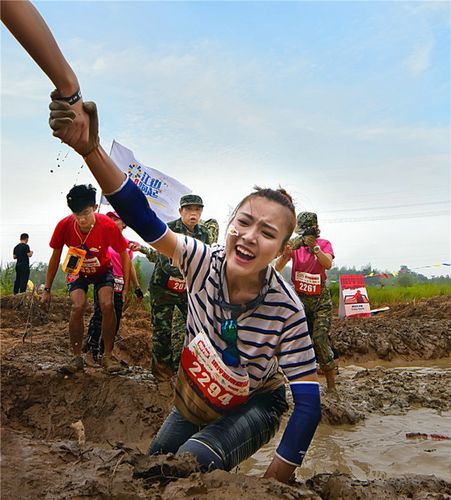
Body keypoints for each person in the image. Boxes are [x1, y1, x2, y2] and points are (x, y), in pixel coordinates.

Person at [2, 4, 321, 482]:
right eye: (244, 222)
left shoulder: (285, 307)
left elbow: (308, 403)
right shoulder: (201, 261)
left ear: (280, 250)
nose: (249, 236)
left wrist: (278, 480)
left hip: (256, 400)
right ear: (228, 223)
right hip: (197, 392)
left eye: (267, 233)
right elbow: (141, 216)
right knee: (151, 466)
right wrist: (91, 150)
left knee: (187, 465)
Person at [42, 184, 130, 374]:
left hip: (102, 270)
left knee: (107, 305)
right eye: (76, 214)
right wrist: (47, 289)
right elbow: (55, 257)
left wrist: (126, 287)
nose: (81, 219)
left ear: (95, 208)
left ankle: (107, 356)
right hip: (78, 271)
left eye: (86, 213)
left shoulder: (107, 226)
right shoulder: (64, 226)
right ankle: (76, 357)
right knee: (78, 306)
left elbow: (124, 255)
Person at [145, 195, 210, 380]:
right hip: (163, 287)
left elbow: (205, 258)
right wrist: (192, 269)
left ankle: (184, 369)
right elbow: (167, 263)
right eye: (189, 209)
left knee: (197, 327)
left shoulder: (204, 233)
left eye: (197, 210)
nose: (193, 214)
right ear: (181, 211)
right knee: (162, 330)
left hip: (188, 290)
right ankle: (161, 373)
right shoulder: (169, 229)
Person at [275, 212, 337, 392]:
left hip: (320, 301)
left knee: (319, 339)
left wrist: (315, 248)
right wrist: (286, 255)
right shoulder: (295, 245)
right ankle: (304, 384)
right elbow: (276, 269)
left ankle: (332, 386)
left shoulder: (324, 244)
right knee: (301, 342)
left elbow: (328, 264)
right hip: (300, 300)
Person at [84, 211, 144, 364]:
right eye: (109, 218)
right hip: (104, 282)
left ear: (124, 223)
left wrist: (135, 286)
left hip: (119, 284)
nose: (112, 221)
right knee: (100, 314)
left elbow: (129, 266)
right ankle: (92, 349)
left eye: (116, 219)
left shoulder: (128, 243)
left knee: (115, 318)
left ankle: (106, 353)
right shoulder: (102, 239)